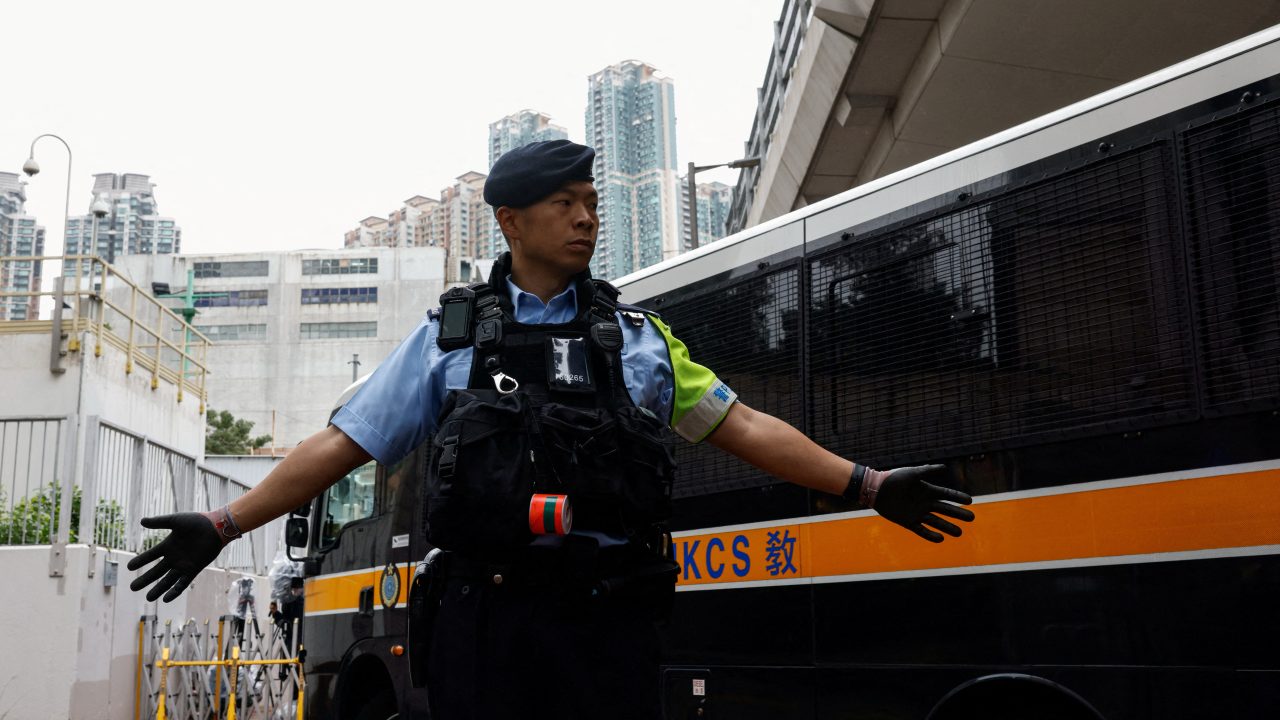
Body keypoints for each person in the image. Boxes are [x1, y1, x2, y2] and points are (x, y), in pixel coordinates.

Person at [129, 140, 975, 719]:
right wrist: (224, 521)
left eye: (592, 204)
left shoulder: (634, 338)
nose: (585, 219)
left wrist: (867, 485)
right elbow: (341, 443)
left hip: (610, 624)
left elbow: (741, 423)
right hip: (486, 626)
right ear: (511, 221)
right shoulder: (450, 339)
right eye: (563, 204)